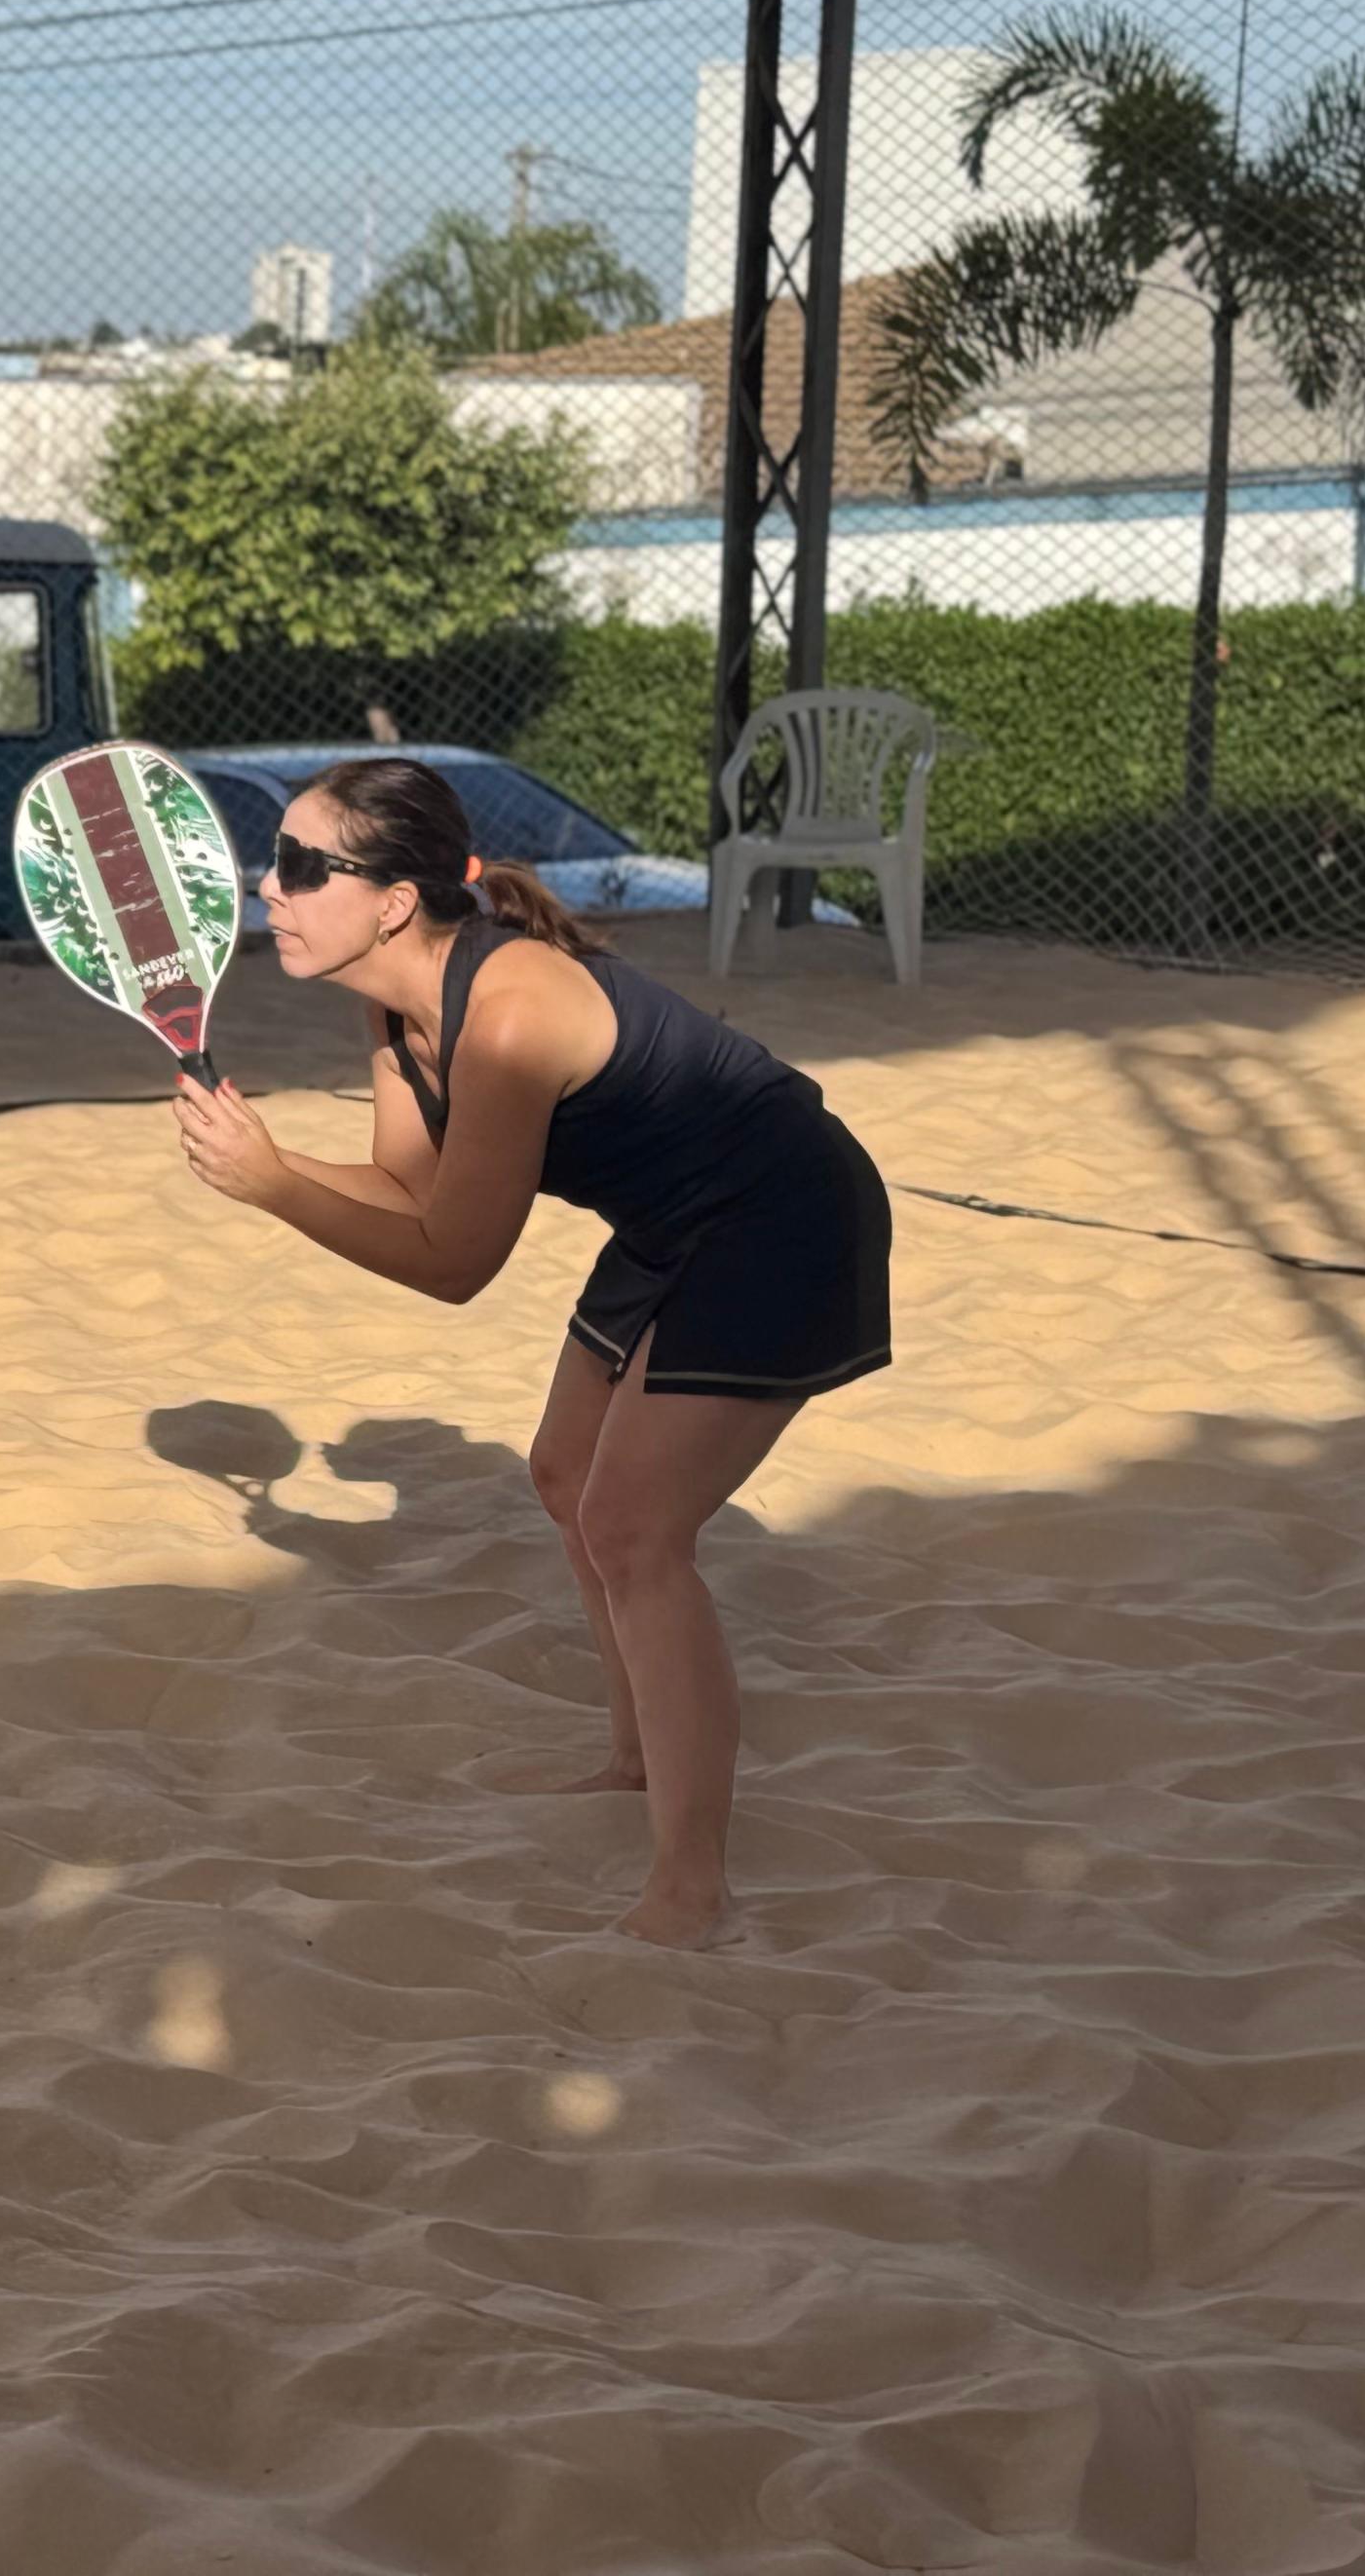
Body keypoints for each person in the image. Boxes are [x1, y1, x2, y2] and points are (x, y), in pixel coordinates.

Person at [166, 757, 891, 1947]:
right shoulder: (399, 1010)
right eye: (272, 862)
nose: (269, 886)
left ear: (394, 901)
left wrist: (275, 1189)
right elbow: (411, 1183)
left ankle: (690, 1889)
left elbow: (457, 1261)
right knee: (566, 1478)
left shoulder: (505, 1014)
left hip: (784, 1213)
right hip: (676, 1222)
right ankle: (632, 1760)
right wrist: (278, 1167)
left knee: (633, 1531)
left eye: (300, 865)